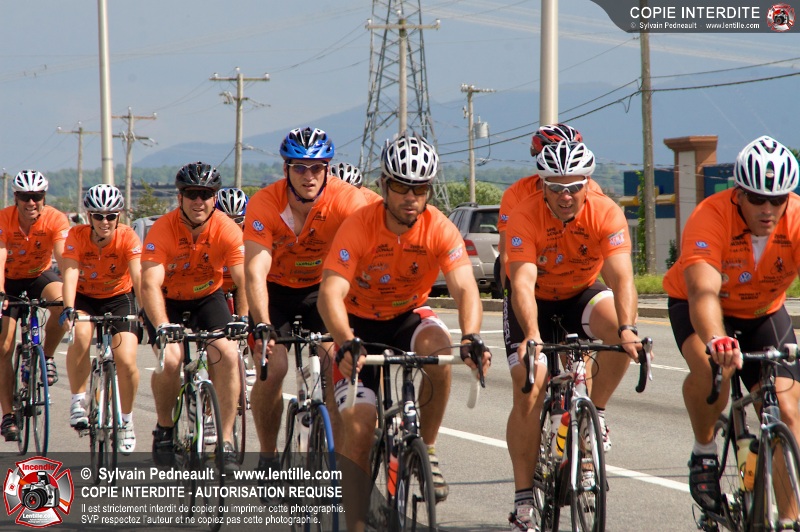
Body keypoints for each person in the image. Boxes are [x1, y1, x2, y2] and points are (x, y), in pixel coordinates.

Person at [317, 132, 492, 530]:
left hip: (406, 314)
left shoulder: (438, 227)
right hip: (358, 322)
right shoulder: (359, 225)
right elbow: (330, 294)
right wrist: (344, 341)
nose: (411, 197)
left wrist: (471, 336)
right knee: (360, 428)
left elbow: (466, 288)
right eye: (401, 187)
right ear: (383, 185)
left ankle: (426, 447)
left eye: (420, 188)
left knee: (439, 347)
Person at [504, 140, 642, 531]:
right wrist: (532, 334)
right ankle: (524, 500)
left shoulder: (605, 211)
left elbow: (621, 277)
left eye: (574, 186)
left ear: (587, 184)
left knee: (620, 333)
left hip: (580, 292)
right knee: (531, 386)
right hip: (534, 301)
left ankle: (594, 413)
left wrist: (628, 329)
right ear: (542, 186)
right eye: (556, 187)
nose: (566, 196)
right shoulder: (525, 214)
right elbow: (522, 282)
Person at [663, 135, 800, 521]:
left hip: (762, 312)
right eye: (757, 199)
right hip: (702, 308)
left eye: (778, 199)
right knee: (713, 372)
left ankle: (788, 521)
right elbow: (703, 292)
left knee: (787, 413)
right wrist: (716, 338)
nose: (768, 209)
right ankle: (705, 451)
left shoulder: (796, 218)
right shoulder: (710, 217)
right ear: (738, 193)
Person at [244, 127, 367, 480]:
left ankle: (336, 465)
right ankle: (268, 458)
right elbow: (255, 270)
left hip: (321, 290)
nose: (308, 176)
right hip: (275, 292)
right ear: (286, 169)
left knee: (335, 367)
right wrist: (263, 324)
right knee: (274, 369)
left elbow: (366, 252)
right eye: (299, 167)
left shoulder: (347, 200)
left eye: (317, 168)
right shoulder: (265, 202)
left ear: (328, 169)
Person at [140, 162, 248, 471]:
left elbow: (243, 279)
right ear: (180, 198)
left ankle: (225, 442)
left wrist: (242, 317)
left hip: (207, 297)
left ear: (214, 198)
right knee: (171, 359)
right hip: (167, 300)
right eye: (191, 194)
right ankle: (165, 428)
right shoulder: (163, 228)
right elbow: (149, 283)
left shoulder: (227, 228)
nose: (198, 201)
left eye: (205, 194)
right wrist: (162, 325)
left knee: (227, 353)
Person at [60, 185, 142, 453]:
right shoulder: (76, 235)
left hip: (119, 297)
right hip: (85, 297)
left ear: (119, 216)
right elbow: (70, 273)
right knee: (81, 335)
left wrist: (146, 311)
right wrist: (69, 308)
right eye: (98, 216)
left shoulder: (128, 236)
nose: (104, 221)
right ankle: (78, 401)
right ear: (89, 216)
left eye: (111, 216)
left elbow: (138, 276)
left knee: (126, 360)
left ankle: (126, 421)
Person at [0, 170, 69, 442]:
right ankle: (8, 415)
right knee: (4, 345)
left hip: (38, 275)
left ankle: (46, 357)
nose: (31, 203)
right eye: (25, 197)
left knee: (62, 305)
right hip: (9, 279)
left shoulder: (56, 219)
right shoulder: (4, 218)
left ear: (44, 197)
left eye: (37, 197)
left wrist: (72, 293)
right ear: (15, 198)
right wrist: (1, 293)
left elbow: (63, 258)